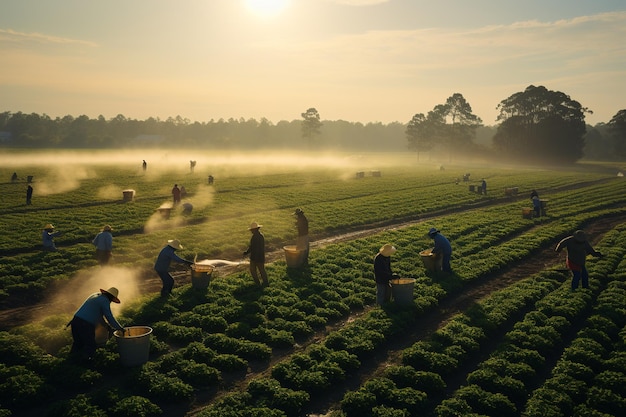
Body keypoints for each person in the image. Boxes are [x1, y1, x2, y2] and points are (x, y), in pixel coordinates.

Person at [69, 287, 124, 363]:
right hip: (85, 324)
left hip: (75, 321)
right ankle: (85, 364)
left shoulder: (95, 295)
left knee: (78, 343)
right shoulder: (105, 301)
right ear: (111, 297)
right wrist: (119, 328)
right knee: (90, 345)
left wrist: (107, 326)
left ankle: (70, 362)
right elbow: (109, 316)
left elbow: (98, 317)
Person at [243, 222, 268, 286]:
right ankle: (259, 283)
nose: (251, 231)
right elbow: (252, 246)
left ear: (256, 229)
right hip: (255, 257)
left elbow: (258, 248)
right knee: (254, 270)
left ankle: (263, 283)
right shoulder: (256, 236)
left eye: (252, 230)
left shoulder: (259, 237)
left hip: (257, 257)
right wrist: (247, 252)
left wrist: (255, 257)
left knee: (260, 270)